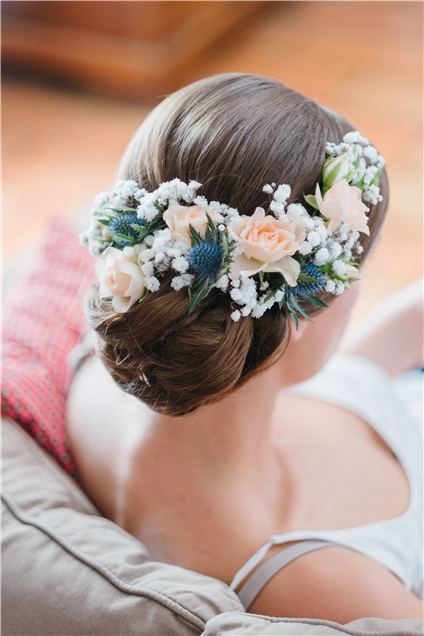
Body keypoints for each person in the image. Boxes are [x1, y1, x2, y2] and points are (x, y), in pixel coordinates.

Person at [56, 74, 423, 622]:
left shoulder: (103, 387)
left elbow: (345, 375)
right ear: (299, 308)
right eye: (358, 273)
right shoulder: (327, 583)